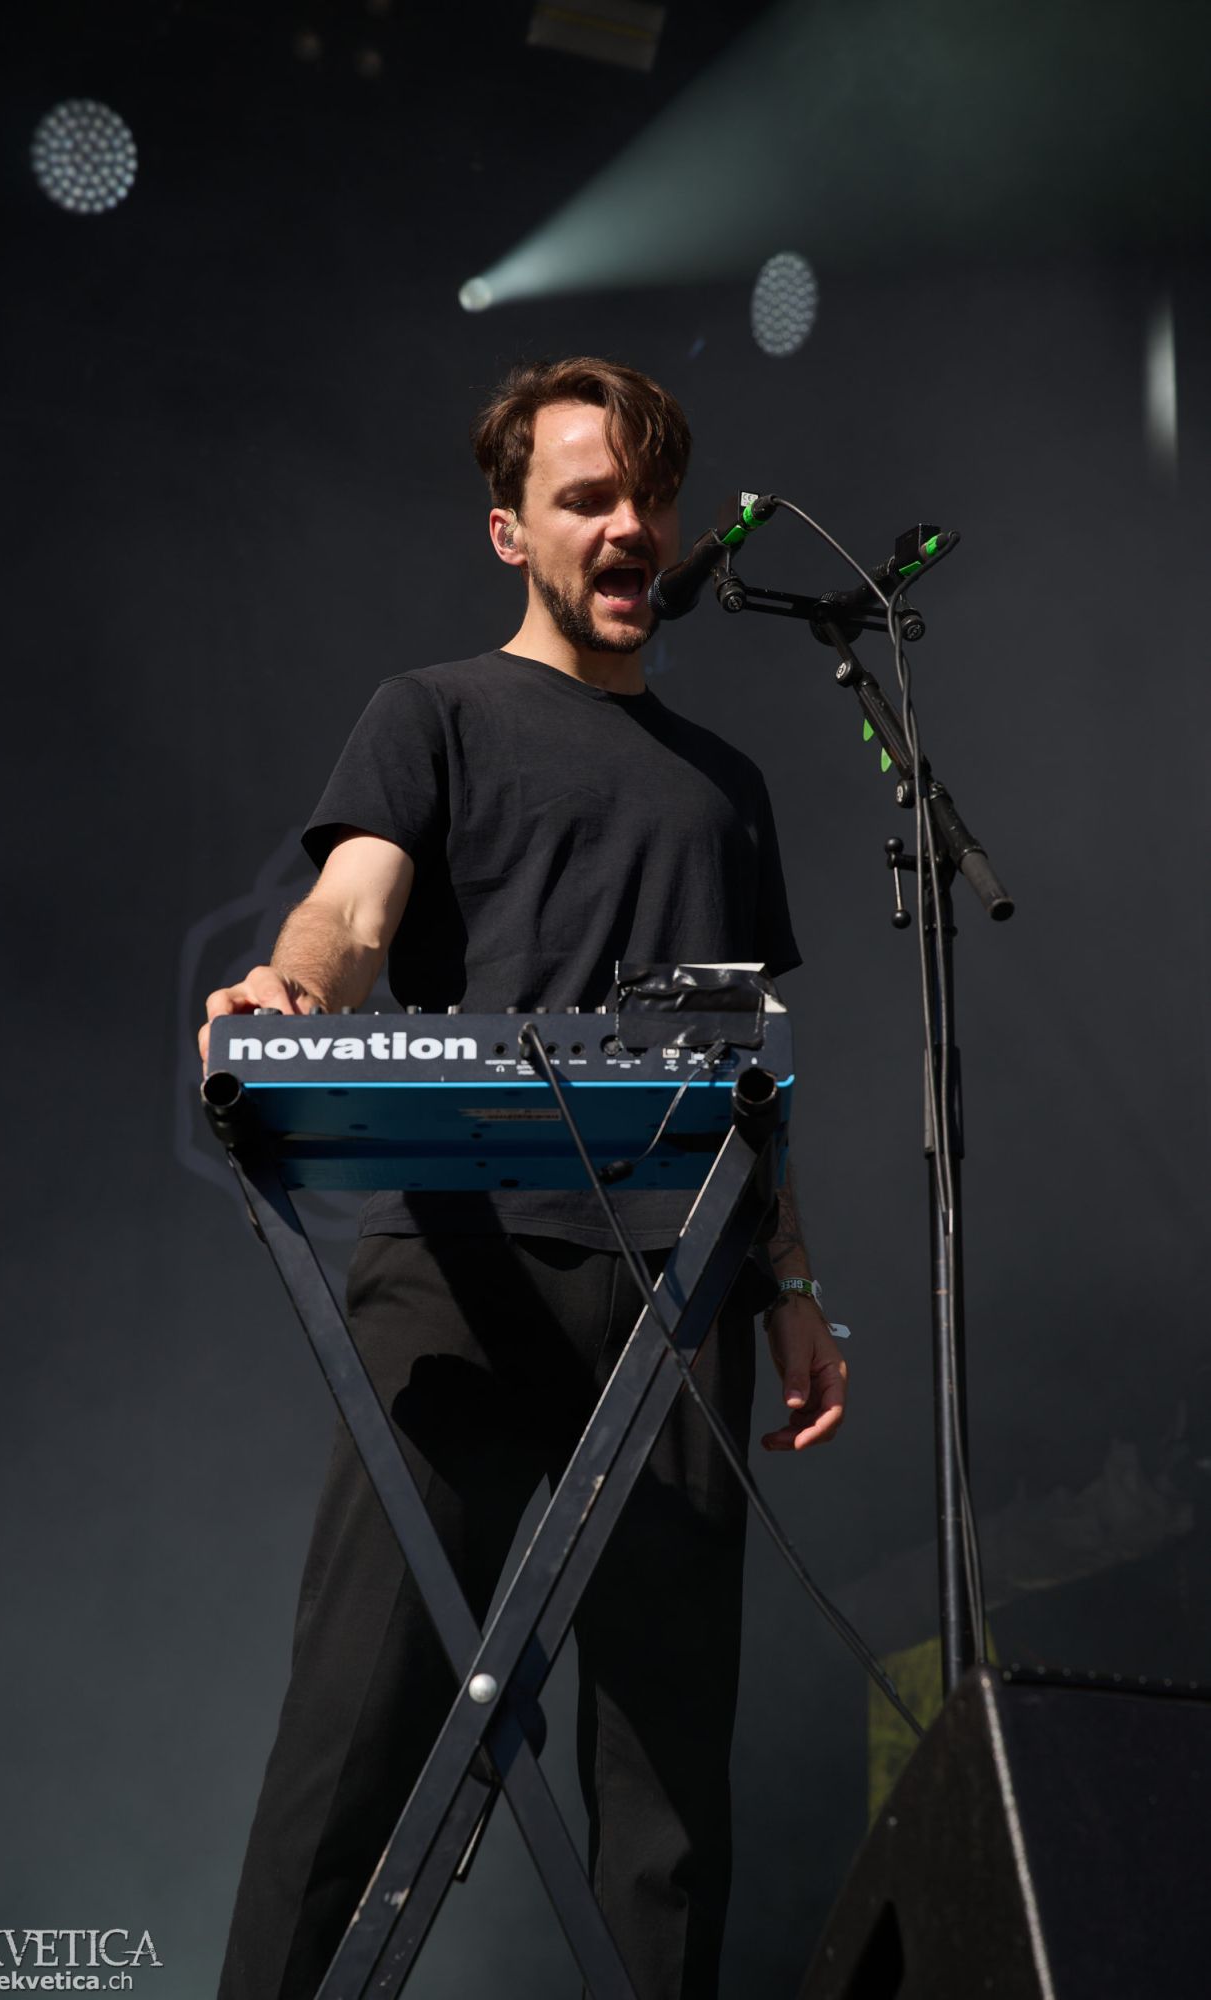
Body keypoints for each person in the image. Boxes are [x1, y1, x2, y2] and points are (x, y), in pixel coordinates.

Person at [202, 357, 848, 2000]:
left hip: (677, 1295)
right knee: (354, 1739)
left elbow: (753, 1064)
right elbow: (349, 911)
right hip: (461, 1267)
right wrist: (292, 990)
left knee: (665, 1790)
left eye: (649, 498)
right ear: (511, 531)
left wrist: (788, 1283)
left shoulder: (726, 786)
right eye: (587, 499)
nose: (629, 527)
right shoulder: (432, 712)